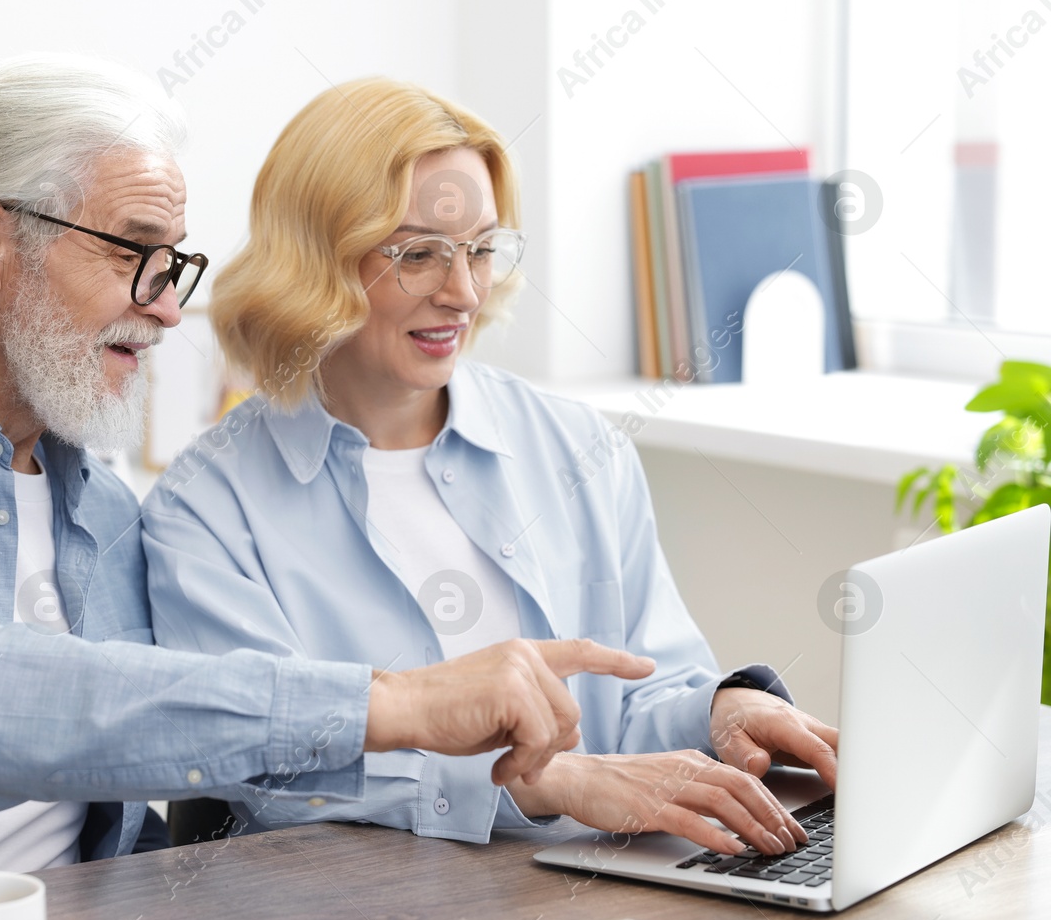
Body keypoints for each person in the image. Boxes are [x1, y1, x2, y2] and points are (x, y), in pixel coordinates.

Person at [0, 56, 654, 920]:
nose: (163, 310)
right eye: (133, 256)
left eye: (175, 266)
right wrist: (402, 701)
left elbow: (188, 739)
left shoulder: (101, 510)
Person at [142, 77, 839, 857]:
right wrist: (540, 784)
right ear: (315, 263)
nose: (465, 292)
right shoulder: (204, 508)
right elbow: (269, 772)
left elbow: (647, 692)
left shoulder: (580, 446)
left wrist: (719, 708)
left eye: (480, 249)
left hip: (607, 897)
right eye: (419, 254)